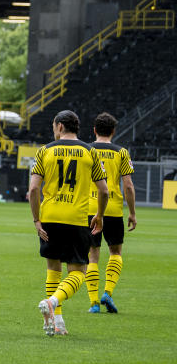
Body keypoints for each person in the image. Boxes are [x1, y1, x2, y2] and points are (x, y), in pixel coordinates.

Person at [29, 110, 108, 336]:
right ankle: (54, 304)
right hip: (76, 218)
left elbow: (34, 189)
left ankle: (57, 322)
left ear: (60, 126)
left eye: (54, 126)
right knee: (78, 272)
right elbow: (103, 190)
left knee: (53, 269)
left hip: (50, 217)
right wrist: (99, 215)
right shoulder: (89, 152)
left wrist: (36, 219)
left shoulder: (45, 151)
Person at [85, 112, 136, 314]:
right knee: (115, 252)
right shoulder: (121, 152)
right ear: (113, 131)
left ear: (95, 130)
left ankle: (94, 302)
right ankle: (108, 291)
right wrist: (132, 212)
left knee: (92, 256)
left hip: (89, 208)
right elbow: (129, 186)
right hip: (113, 209)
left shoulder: (86, 150)